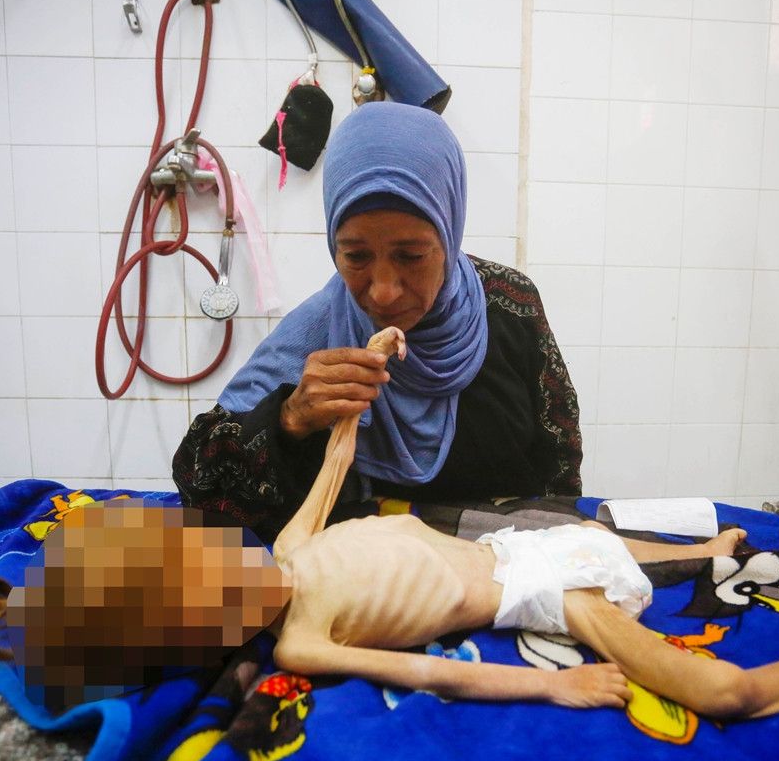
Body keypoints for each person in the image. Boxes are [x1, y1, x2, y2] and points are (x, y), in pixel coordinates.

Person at [0, 331, 779, 716]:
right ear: (214, 632)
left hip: (515, 545)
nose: (231, 568)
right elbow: (436, 672)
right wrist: (555, 690)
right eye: (214, 591)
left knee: (600, 538)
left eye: (207, 556)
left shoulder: (288, 553)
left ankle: (711, 547)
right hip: (538, 592)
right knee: (717, 695)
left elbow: (339, 459)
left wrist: (371, 360)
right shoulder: (306, 639)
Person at [173, 102, 581, 544]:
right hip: (364, 578)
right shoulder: (319, 334)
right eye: (356, 256)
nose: (384, 292)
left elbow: (560, 471)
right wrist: (291, 419)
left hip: (498, 570)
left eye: (411, 256)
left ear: (449, 233)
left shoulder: (510, 307)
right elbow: (202, 488)